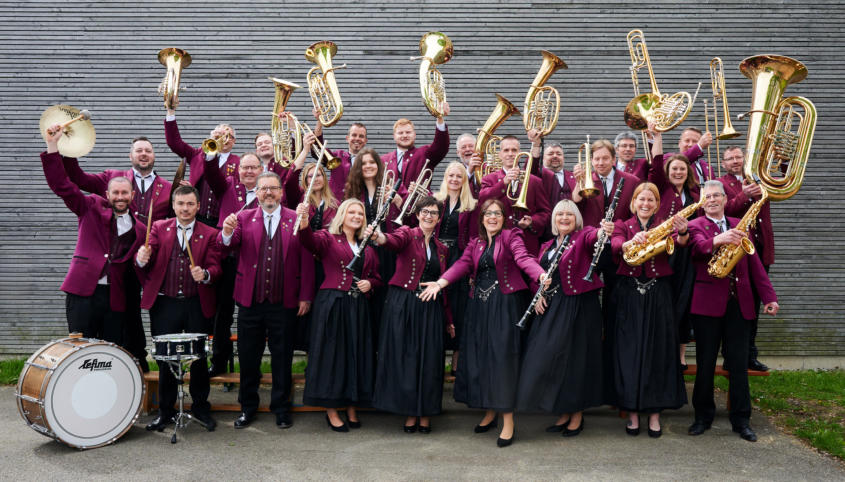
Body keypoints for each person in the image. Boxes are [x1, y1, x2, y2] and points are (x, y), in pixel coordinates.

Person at [419, 199, 547, 448]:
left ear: (503, 217)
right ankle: (490, 411)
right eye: (488, 213)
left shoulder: (512, 236)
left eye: (497, 213)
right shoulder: (475, 243)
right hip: (479, 306)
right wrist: (441, 283)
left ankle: (507, 420)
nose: (492, 217)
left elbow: (523, 258)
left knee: (502, 360)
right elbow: (461, 265)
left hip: (505, 305)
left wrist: (539, 274)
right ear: (482, 218)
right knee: (483, 358)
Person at [61, 135, 173, 372]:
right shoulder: (113, 177)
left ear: (154, 155)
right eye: (139, 150)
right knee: (116, 319)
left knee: (132, 314)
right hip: (113, 263)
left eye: (148, 150)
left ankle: (137, 359)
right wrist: (69, 149)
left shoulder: (169, 187)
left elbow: (173, 222)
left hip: (141, 260)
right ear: (130, 155)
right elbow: (77, 178)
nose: (143, 154)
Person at [218, 171, 314, 429]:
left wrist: (305, 295)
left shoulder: (296, 218)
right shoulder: (243, 217)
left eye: (273, 188)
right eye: (264, 189)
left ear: (281, 192)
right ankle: (247, 407)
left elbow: (306, 259)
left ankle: (281, 408)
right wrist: (226, 231)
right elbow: (226, 245)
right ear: (257, 193)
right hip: (250, 301)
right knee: (248, 357)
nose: (268, 193)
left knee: (282, 357)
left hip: (284, 302)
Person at [687, 180, 779, 442]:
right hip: (707, 307)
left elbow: (755, 265)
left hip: (739, 306)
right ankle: (702, 417)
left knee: (738, 365)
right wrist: (720, 238)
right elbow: (697, 249)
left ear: (726, 199)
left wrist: (769, 298)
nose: (712, 200)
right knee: (705, 364)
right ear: (702, 202)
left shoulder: (741, 224)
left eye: (717, 195)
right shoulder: (695, 225)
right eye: (707, 197)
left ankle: (741, 420)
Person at [40, 125, 146, 345]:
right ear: (106, 194)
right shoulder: (90, 206)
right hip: (82, 291)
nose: (120, 197)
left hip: (115, 297)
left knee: (110, 351)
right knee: (80, 349)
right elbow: (62, 185)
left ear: (132, 195)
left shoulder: (141, 229)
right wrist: (52, 145)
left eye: (124, 193)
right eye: (115, 193)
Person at [516, 200, 612, 437]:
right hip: (552, 307)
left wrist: (602, 231)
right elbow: (537, 274)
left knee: (576, 362)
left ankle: (576, 415)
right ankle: (563, 410)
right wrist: (538, 294)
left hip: (580, 306)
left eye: (570, 214)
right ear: (554, 219)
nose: (565, 218)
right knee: (550, 359)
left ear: (577, 219)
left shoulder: (583, 236)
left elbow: (593, 236)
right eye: (560, 214)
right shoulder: (547, 245)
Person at [135, 185, 221, 432]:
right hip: (165, 303)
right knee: (165, 360)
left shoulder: (210, 233)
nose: (185, 208)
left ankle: (201, 408)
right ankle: (165, 411)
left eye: (190, 204)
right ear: (173, 205)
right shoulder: (158, 228)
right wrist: (141, 257)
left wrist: (205, 274)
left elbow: (216, 267)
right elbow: (146, 257)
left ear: (198, 206)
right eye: (181, 204)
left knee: (199, 359)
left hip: (196, 303)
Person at [365, 196, 454, 433]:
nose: (428, 216)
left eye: (433, 213)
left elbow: (443, 284)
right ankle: (409, 413)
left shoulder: (442, 249)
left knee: (429, 360)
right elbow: (391, 241)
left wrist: (449, 319)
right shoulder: (407, 233)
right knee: (407, 359)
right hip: (403, 304)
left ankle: (425, 413)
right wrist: (378, 236)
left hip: (430, 308)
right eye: (425, 211)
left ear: (439, 218)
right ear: (417, 214)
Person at [295, 199, 382, 432]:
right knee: (333, 356)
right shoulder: (327, 238)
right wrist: (304, 220)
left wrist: (370, 284)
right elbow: (308, 241)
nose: (356, 216)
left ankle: (352, 406)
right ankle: (332, 410)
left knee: (355, 355)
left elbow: (377, 277)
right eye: (351, 212)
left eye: (360, 213)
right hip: (333, 304)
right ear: (342, 215)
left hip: (358, 307)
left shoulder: (368, 247)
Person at [611, 182, 689, 438]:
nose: (645, 204)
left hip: (659, 293)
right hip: (629, 294)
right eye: (641, 199)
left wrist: (683, 232)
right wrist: (628, 243)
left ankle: (655, 414)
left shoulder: (665, 225)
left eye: (650, 200)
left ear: (656, 205)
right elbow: (615, 244)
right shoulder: (623, 225)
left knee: (658, 352)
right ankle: (632, 414)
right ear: (633, 203)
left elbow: (681, 244)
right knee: (629, 353)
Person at [571, 138, 639, 404]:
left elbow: (635, 214)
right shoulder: (585, 179)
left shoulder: (631, 181)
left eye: (604, 158)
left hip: (617, 249)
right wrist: (578, 184)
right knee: (587, 306)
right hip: (589, 248)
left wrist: (618, 228)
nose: (600, 163)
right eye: (596, 159)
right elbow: (574, 208)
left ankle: (613, 377)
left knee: (615, 308)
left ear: (613, 159)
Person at [203, 151, 261, 375]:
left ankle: (251, 365)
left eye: (253, 167)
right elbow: (210, 173)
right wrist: (211, 154)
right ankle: (219, 361)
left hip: (252, 261)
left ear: (261, 170)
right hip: (227, 259)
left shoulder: (267, 190)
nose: (249, 171)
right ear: (238, 170)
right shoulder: (227, 185)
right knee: (222, 314)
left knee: (251, 314)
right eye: (245, 167)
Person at [649, 125, 701, 370]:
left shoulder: (695, 194)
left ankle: (680, 355)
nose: (678, 172)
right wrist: (657, 137)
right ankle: (661, 350)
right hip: (663, 251)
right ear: (668, 172)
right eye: (674, 169)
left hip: (687, 254)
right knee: (663, 300)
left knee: (684, 301)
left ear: (687, 172)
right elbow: (656, 163)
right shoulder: (661, 188)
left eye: (682, 169)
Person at [719, 146, 773, 372]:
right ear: (723, 164)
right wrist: (744, 195)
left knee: (756, 304)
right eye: (730, 159)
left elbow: (780, 187)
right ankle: (731, 355)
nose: (735, 161)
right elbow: (724, 210)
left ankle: (750, 354)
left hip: (760, 248)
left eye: (738, 157)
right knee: (735, 306)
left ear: (745, 158)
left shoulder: (760, 179)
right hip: (738, 250)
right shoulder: (721, 184)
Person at [432, 162, 478, 375]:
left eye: (459, 176)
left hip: (459, 258)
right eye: (451, 175)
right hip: (437, 254)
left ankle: (457, 363)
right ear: (445, 177)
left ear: (464, 180)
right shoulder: (435, 199)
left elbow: (473, 238)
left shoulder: (472, 205)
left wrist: (471, 269)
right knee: (437, 302)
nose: (454, 179)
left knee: (458, 307)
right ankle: (436, 359)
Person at [165, 104, 240, 227]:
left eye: (229, 136)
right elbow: (174, 143)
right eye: (220, 135)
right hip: (195, 217)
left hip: (221, 220)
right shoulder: (197, 155)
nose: (224, 139)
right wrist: (170, 112)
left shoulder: (239, 163)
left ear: (234, 141)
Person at [478, 135, 551, 256]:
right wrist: (504, 183)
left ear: (520, 153)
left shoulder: (534, 181)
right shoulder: (489, 179)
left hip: (526, 244)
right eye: (506, 150)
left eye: (514, 150)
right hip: (497, 243)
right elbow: (482, 201)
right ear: (500, 154)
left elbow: (545, 212)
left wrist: (532, 221)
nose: (510, 154)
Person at [382, 106, 451, 198]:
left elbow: (441, 146)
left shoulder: (424, 153)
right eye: (400, 133)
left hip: (419, 206)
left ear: (414, 135)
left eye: (408, 132)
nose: (404, 135)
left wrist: (440, 118)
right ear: (394, 136)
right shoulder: (383, 160)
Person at [311, 108, 369, 201]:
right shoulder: (336, 156)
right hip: (335, 206)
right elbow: (317, 150)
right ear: (347, 138)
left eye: (361, 136)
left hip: (359, 207)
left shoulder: (370, 162)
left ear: (365, 141)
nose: (357, 138)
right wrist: (319, 121)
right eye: (354, 135)